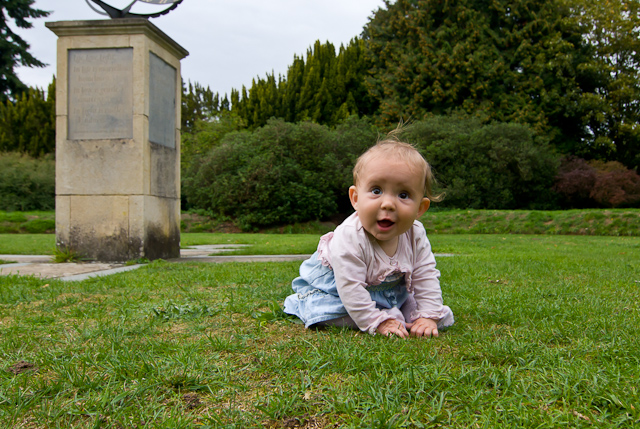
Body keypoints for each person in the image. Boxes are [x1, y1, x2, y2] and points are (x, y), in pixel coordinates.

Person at [283, 136, 454, 337]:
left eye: (404, 195)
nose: (388, 203)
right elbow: (350, 288)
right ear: (356, 198)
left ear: (420, 208)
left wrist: (428, 315)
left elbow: (425, 275)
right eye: (376, 191)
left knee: (438, 316)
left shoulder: (415, 234)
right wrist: (377, 322)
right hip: (338, 293)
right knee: (328, 314)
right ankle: (384, 315)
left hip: (389, 294)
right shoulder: (349, 236)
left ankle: (392, 312)